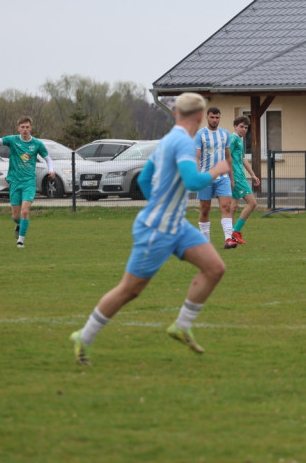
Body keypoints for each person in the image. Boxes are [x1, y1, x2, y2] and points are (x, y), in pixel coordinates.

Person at [69, 93, 231, 366]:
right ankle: (83, 336)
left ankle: (181, 325)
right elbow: (192, 181)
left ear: (177, 113)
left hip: (176, 225)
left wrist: (160, 203)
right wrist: (217, 170)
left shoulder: (169, 139)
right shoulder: (181, 142)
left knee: (215, 268)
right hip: (157, 229)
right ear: (201, 116)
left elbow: (145, 178)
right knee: (129, 290)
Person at [0, 117, 55, 248]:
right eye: (22, 127)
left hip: (29, 182)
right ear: (18, 128)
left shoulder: (36, 144)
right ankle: (19, 224)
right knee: (15, 216)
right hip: (14, 181)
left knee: (25, 212)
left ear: (31, 128)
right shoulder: (12, 140)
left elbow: (48, 159)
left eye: (27, 127)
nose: (25, 130)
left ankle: (20, 241)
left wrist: (51, 170)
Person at [195, 107, 235, 247]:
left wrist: (231, 177)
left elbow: (228, 157)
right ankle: (205, 242)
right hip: (206, 177)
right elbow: (197, 157)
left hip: (223, 177)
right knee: (205, 209)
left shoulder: (225, 134)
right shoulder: (200, 134)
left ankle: (228, 239)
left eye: (217, 117)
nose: (215, 120)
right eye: (212, 117)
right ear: (207, 117)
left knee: (226, 206)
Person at [226, 115, 260, 246]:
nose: (244, 129)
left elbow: (243, 159)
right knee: (252, 203)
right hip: (236, 177)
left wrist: (253, 174)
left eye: (246, 127)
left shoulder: (240, 140)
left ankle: (229, 237)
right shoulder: (233, 138)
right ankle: (236, 232)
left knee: (233, 207)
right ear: (235, 126)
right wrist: (230, 175)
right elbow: (225, 155)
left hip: (239, 176)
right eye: (241, 127)